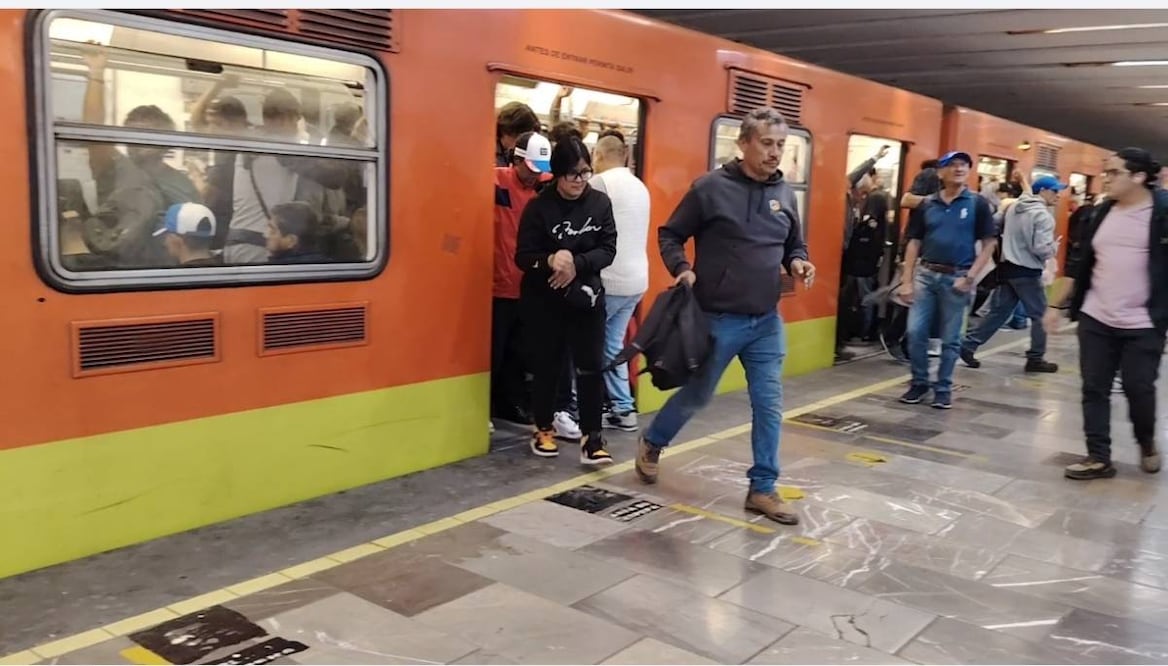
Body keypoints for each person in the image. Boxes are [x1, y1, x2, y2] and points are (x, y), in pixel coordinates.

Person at [637, 107, 814, 526]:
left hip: (766, 321)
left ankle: (763, 487)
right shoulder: (710, 189)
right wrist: (681, 267)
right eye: (767, 144)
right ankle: (653, 440)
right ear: (744, 143)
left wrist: (799, 262)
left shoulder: (784, 194)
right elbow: (670, 233)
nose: (775, 154)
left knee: (769, 404)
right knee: (697, 396)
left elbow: (795, 245)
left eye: (781, 146)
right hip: (717, 319)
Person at [1046, 148, 1166, 480]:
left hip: (1143, 323)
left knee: (1138, 387)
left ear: (1139, 177)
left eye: (1114, 173)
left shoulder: (1162, 213)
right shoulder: (1100, 213)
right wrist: (1056, 305)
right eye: (1106, 172)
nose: (1106, 178)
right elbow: (1077, 264)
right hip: (1096, 318)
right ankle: (1098, 457)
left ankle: (1146, 442)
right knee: (1093, 388)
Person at [514, 136, 617, 465]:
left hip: (587, 300)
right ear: (557, 173)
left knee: (590, 368)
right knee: (548, 367)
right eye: (572, 174)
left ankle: (593, 438)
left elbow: (608, 249)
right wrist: (548, 261)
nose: (579, 180)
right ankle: (543, 428)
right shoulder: (538, 207)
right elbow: (522, 256)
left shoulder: (600, 203)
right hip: (544, 302)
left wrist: (576, 264)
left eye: (585, 172)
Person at [898, 151, 996, 409]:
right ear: (940, 173)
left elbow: (989, 244)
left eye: (964, 165)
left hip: (958, 277)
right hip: (926, 275)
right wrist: (907, 281)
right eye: (952, 165)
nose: (959, 168)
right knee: (915, 331)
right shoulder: (927, 205)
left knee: (951, 338)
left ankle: (943, 387)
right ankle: (919, 382)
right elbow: (913, 243)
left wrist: (971, 277)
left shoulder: (977, 204)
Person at [960, 175, 1062, 372]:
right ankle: (1035, 358)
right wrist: (1054, 247)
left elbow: (995, 224)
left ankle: (968, 345)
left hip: (1009, 268)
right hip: (1028, 270)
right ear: (1041, 191)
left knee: (999, 313)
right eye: (1054, 191)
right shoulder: (1043, 216)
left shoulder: (1014, 207)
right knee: (1040, 316)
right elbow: (1040, 248)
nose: (1058, 195)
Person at [590, 135, 651, 432]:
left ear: (596, 154)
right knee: (612, 343)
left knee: (586, 343)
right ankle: (623, 408)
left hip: (609, 280)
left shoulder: (600, 184)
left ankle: (578, 407)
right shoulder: (640, 186)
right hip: (636, 280)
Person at [491, 132, 552, 427]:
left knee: (519, 353)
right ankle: (487, 406)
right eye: (530, 168)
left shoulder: (546, 189)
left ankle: (510, 404)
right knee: (494, 352)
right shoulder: (494, 181)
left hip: (528, 289)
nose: (534, 175)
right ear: (516, 160)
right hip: (497, 288)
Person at [154, 202, 222, 267]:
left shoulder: (175, 277)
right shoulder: (226, 270)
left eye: (167, 235)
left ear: (176, 239)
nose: (165, 242)